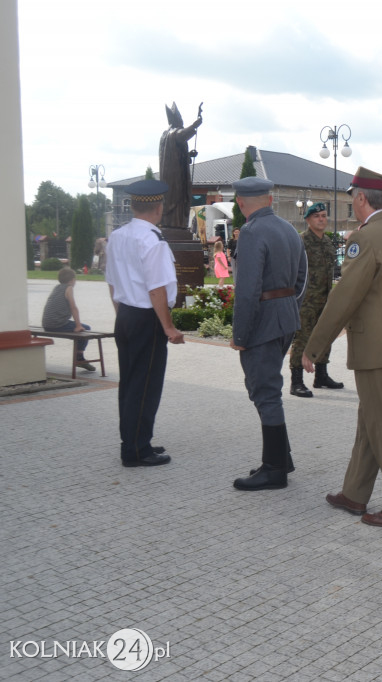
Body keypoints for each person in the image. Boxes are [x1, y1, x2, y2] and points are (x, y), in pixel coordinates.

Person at [302, 167, 382, 528]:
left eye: (351, 198)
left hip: (378, 350)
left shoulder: (366, 238)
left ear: (361, 199)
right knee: (372, 421)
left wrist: (314, 346)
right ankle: (355, 492)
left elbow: (345, 296)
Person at [229, 177, 307, 491]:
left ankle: (274, 470)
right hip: (286, 317)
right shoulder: (289, 229)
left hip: (262, 321)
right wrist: (289, 307)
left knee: (264, 391)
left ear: (240, 202)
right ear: (270, 200)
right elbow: (304, 278)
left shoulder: (251, 232)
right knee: (269, 387)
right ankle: (281, 457)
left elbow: (247, 292)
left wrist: (240, 335)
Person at [105, 179, 185, 467]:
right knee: (146, 384)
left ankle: (136, 439)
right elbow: (157, 288)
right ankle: (136, 450)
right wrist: (168, 327)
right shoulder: (152, 240)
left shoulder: (118, 236)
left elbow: (112, 283)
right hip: (146, 317)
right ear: (158, 207)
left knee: (130, 382)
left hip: (126, 313)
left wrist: (122, 316)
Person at [288, 202, 345, 398]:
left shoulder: (328, 242)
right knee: (302, 339)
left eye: (323, 215)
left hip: (325, 298)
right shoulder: (301, 242)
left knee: (325, 337)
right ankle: (296, 382)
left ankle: (321, 375)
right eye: (316, 216)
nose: (321, 219)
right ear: (308, 220)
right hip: (306, 300)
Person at [158, 102, 203, 230]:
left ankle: (173, 223)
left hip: (170, 175)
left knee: (175, 199)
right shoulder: (173, 133)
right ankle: (176, 225)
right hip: (175, 179)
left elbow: (175, 155)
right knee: (177, 199)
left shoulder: (165, 136)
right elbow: (182, 134)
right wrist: (195, 125)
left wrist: (188, 156)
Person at [42, 267, 95, 372]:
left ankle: (80, 357)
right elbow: (73, 307)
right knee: (86, 329)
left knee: (80, 328)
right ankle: (79, 357)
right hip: (58, 324)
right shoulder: (69, 288)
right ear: (72, 280)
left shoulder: (57, 287)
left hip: (47, 323)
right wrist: (78, 325)